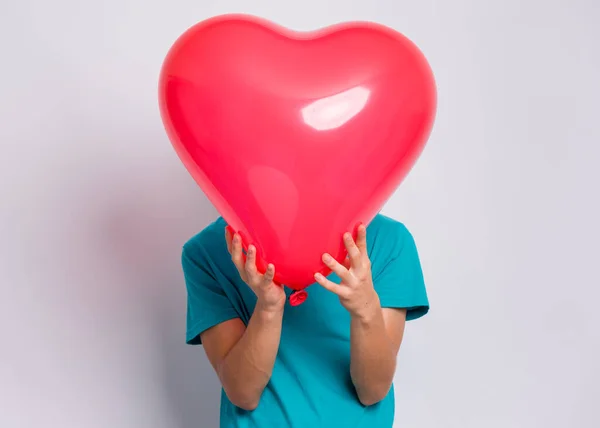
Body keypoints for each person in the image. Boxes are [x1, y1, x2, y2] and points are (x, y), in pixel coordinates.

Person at [182, 213, 429, 427]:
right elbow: (243, 393)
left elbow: (373, 390)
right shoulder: (207, 251)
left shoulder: (388, 240)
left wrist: (366, 311)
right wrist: (268, 308)